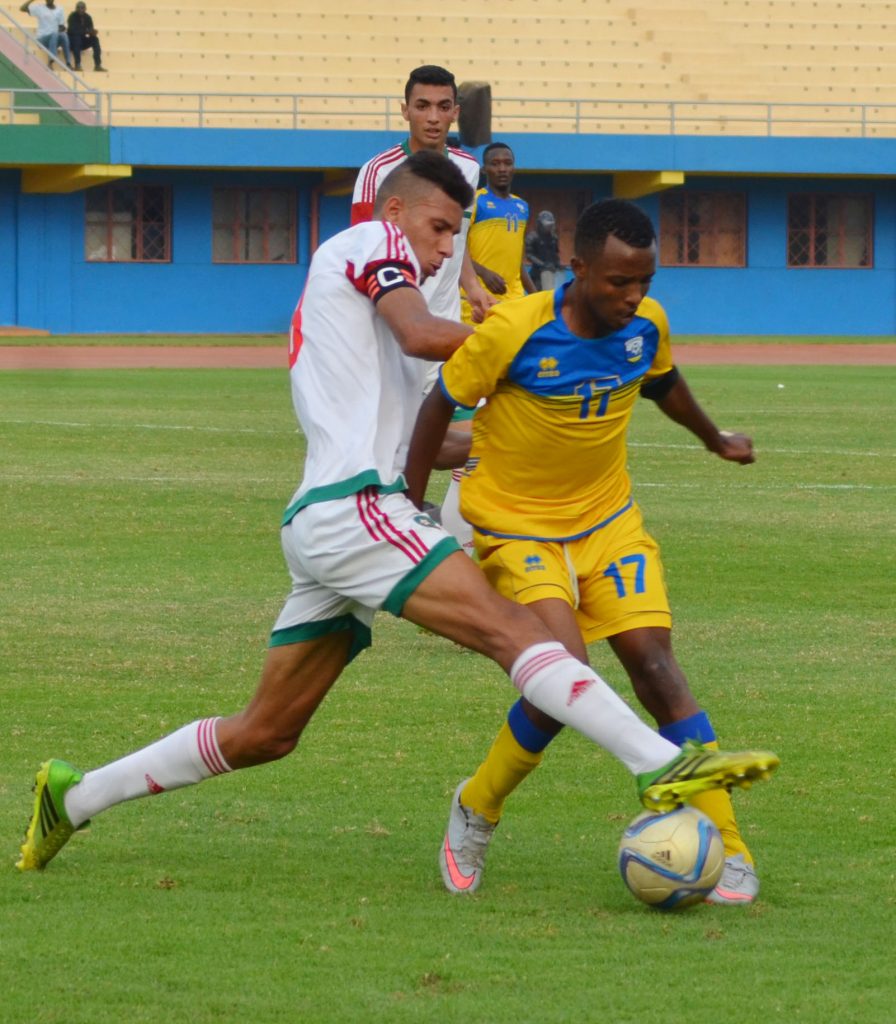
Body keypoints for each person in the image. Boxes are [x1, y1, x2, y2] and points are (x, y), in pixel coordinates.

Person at [16, 155, 778, 877]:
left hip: (331, 525)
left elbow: (436, 429)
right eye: (442, 229)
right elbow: (426, 333)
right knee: (523, 635)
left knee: (266, 733)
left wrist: (519, 424)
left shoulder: (387, 305)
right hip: (357, 511)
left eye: (458, 233)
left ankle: (72, 796)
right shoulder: (369, 243)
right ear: (397, 211)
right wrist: (541, 336)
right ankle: (661, 763)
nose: (450, 249)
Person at [406, 198, 774, 903]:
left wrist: (713, 437)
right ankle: (477, 807)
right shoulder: (515, 330)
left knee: (657, 665)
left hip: (609, 524)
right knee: (562, 676)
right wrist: (409, 505)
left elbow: (662, 380)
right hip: (518, 528)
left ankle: (727, 848)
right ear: (575, 271)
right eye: (618, 283)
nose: (634, 297)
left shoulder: (646, 327)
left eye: (645, 281)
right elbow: (438, 406)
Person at [352, 64, 494, 556]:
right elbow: (362, 248)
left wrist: (472, 287)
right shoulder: (378, 172)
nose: (432, 117)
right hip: (397, 334)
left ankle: (457, 538)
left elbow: (457, 238)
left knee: (484, 424)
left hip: (448, 329)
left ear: (456, 111)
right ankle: (401, 528)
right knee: (400, 449)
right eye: (422, 106)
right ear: (405, 109)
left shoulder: (469, 170)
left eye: (442, 107)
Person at [460, 142, 536, 325]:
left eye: (507, 163)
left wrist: (535, 294)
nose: (502, 169)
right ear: (485, 169)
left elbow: (517, 259)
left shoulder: (522, 206)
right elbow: (457, 246)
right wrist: (484, 273)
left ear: (514, 168)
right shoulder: (474, 201)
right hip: (477, 298)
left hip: (513, 299)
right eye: (495, 164)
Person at [20, 0, 72, 69]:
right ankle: (50, 61)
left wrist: (61, 29)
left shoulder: (60, 9)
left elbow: (61, 26)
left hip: (54, 38)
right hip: (42, 38)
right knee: (54, 34)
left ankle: (68, 63)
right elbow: (22, 8)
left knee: (63, 35)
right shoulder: (40, 8)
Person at [525, 210, 562, 290]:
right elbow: (529, 255)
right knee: (537, 296)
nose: (548, 228)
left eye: (550, 225)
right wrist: (543, 264)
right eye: (546, 225)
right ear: (540, 224)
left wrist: (558, 264)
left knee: (550, 295)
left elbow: (555, 253)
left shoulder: (553, 238)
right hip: (536, 275)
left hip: (550, 272)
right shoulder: (532, 237)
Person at [66, 1, 106, 72]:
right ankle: (77, 64)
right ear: (76, 8)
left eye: (82, 8)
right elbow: (72, 31)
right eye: (78, 8)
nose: (80, 9)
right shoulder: (72, 16)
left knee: (95, 39)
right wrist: (86, 31)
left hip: (82, 41)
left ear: (85, 9)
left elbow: (90, 29)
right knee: (77, 38)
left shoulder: (88, 17)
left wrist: (92, 32)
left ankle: (97, 65)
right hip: (72, 42)